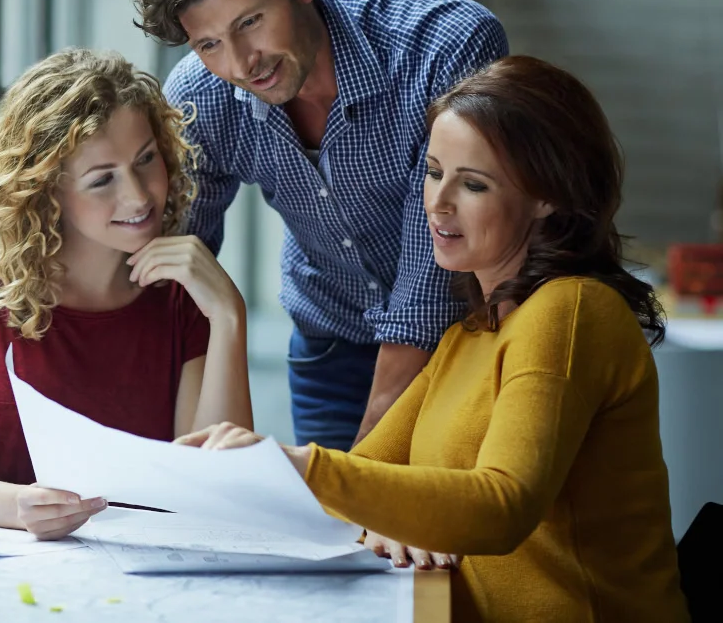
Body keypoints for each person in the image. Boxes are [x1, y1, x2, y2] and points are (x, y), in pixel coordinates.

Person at [178, 55, 689, 623]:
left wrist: (297, 464)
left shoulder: (569, 311)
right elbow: (367, 479)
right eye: (433, 170)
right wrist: (381, 516)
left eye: (473, 183)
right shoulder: (470, 333)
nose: (438, 202)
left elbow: (503, 507)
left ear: (549, 196)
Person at [131, 0, 509, 451]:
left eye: (251, 21)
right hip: (330, 341)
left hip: (468, 340)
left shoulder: (442, 45)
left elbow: (434, 266)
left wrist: (356, 467)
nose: (240, 63)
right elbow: (174, 262)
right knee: (335, 536)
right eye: (209, 43)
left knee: (440, 528)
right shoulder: (202, 95)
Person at [0, 48, 253, 541]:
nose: (138, 195)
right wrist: (19, 506)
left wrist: (228, 315)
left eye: (146, 159)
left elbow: (220, 489)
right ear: (47, 191)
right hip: (2, 566)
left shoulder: (182, 295)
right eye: (102, 179)